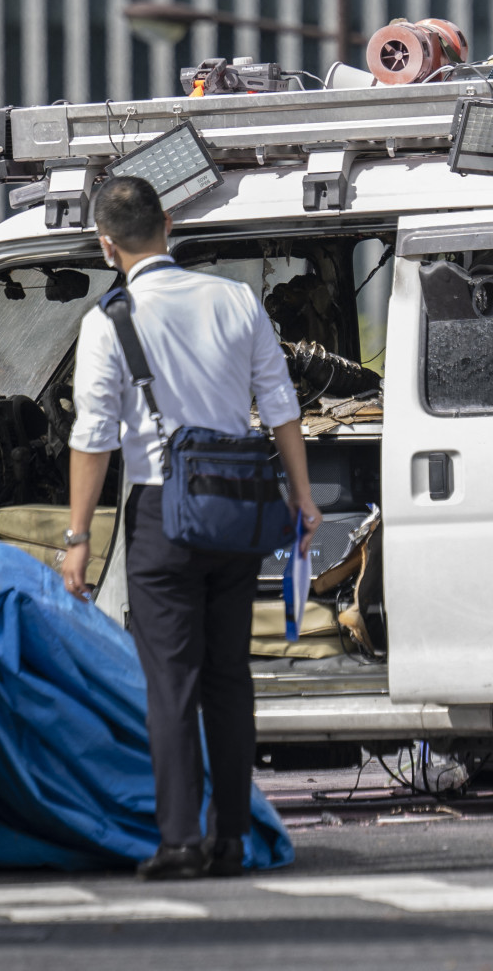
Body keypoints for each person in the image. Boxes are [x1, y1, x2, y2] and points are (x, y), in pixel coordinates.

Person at [61, 176, 321, 882]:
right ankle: (232, 837)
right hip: (238, 509)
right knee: (230, 676)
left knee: (171, 680)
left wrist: (78, 536)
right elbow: (279, 399)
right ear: (169, 223)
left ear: (106, 245)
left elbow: (94, 434)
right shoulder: (234, 297)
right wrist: (302, 496)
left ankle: (180, 840)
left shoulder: (109, 318)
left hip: (160, 515)